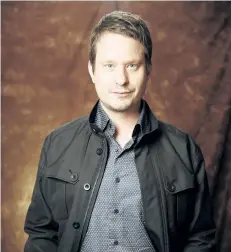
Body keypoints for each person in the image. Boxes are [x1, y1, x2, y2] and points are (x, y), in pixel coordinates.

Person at [24, 11, 216, 252]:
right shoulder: (57, 144)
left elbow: (200, 238)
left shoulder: (184, 149)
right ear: (92, 70)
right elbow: (41, 234)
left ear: (148, 70)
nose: (121, 79)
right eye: (109, 65)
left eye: (132, 65)